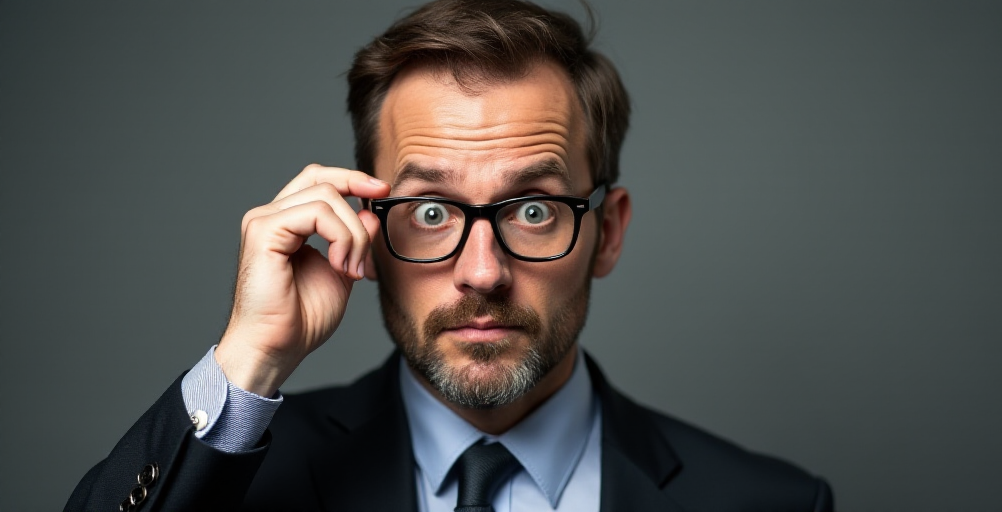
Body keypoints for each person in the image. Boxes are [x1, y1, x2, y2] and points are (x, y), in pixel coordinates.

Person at [66, 1, 833, 510]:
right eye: (430, 211)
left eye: (533, 210)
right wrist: (245, 362)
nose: (482, 272)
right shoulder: (242, 477)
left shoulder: (769, 504)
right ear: (364, 223)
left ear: (610, 230)